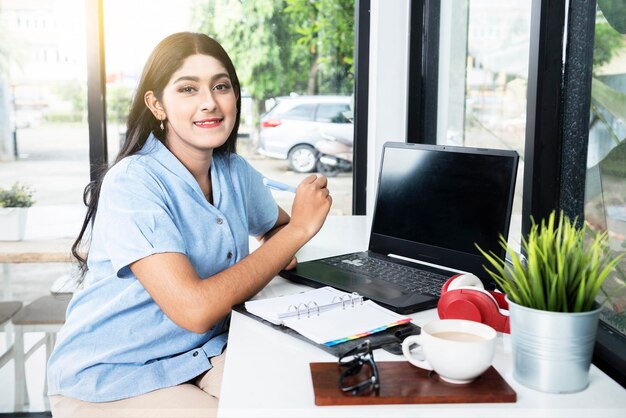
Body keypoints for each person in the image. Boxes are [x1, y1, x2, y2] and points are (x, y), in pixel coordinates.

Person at [46, 32, 332, 417]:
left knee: (309, 393)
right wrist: (298, 231)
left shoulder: (234, 171)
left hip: (200, 355)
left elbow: (276, 229)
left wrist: (283, 244)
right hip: (113, 375)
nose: (209, 102)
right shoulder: (134, 181)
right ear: (157, 105)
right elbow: (194, 309)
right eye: (187, 89)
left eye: (221, 86)